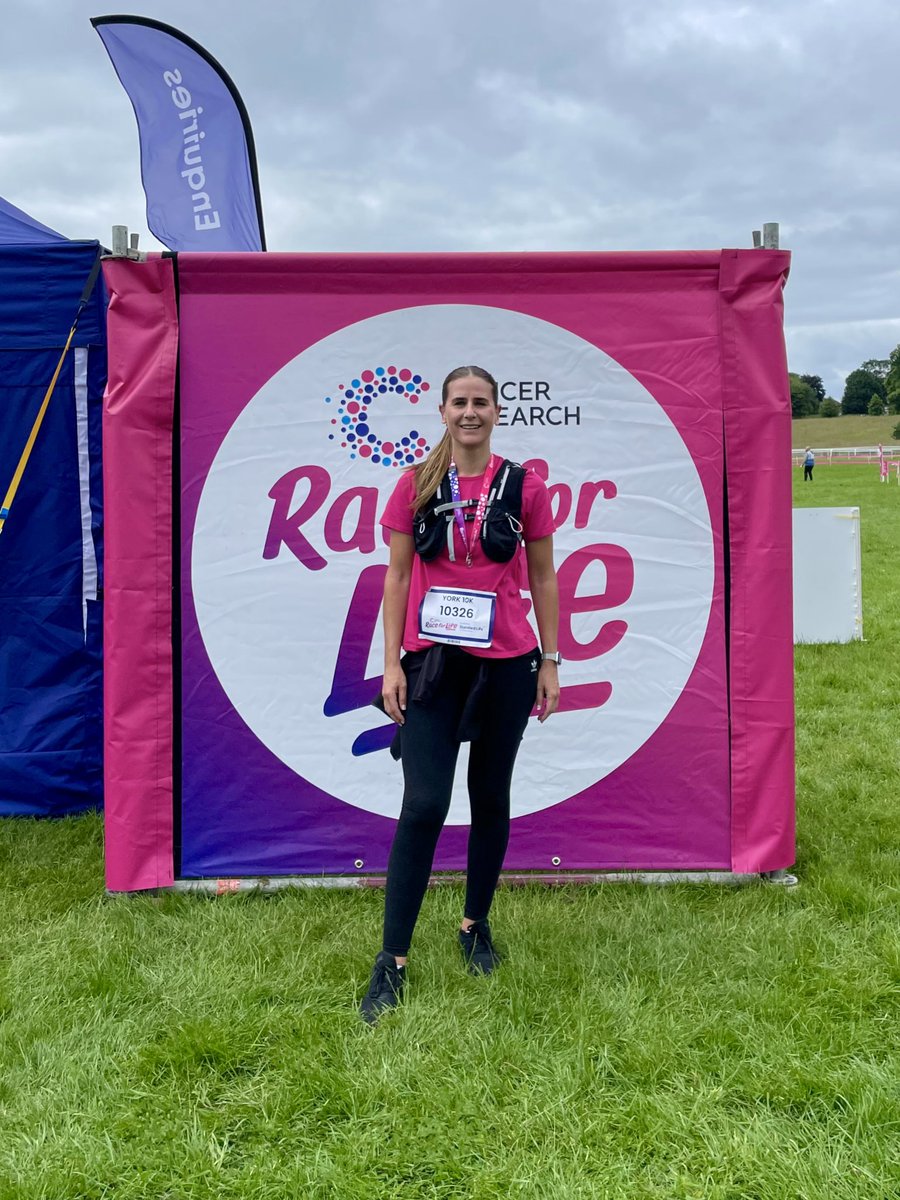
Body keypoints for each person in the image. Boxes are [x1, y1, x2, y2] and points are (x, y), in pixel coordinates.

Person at [359, 365, 560, 1023]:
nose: (470, 412)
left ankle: (474, 925)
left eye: (481, 403)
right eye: (459, 403)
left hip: (506, 663)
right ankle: (392, 961)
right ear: (442, 411)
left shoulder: (523, 485)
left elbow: (543, 575)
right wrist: (390, 665)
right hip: (433, 666)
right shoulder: (415, 484)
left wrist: (550, 661)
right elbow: (394, 578)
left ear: (497, 412)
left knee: (489, 794)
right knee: (422, 804)